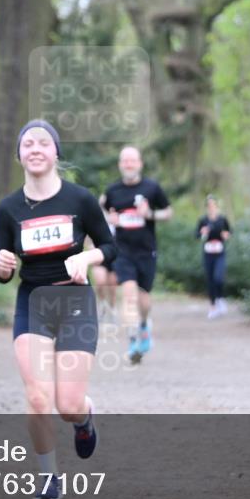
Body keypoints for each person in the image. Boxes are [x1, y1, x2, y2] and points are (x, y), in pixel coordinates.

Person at [0, 119, 116, 499]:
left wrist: (89, 257)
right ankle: (48, 478)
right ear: (19, 155)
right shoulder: (8, 208)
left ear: (55, 153)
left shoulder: (79, 200)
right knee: (37, 397)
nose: (34, 148)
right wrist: (1, 268)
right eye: (27, 143)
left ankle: (84, 417)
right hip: (32, 303)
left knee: (67, 405)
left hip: (75, 303)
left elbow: (110, 247)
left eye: (43, 143)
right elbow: (3, 266)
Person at [101, 146, 172, 364]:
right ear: (120, 165)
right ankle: (133, 341)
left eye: (132, 161)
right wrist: (108, 219)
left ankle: (143, 325)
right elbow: (98, 208)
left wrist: (149, 213)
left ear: (140, 163)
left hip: (146, 251)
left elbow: (168, 212)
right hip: (122, 251)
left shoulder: (152, 188)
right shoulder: (112, 191)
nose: (129, 164)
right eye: (125, 161)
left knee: (143, 298)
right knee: (129, 293)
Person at [196, 195, 232, 319]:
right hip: (208, 253)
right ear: (207, 207)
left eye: (213, 205)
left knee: (219, 278)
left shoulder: (222, 219)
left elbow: (229, 232)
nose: (211, 207)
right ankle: (213, 306)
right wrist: (202, 233)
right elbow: (197, 236)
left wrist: (226, 234)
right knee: (210, 279)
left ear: (217, 206)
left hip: (220, 253)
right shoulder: (203, 220)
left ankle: (220, 298)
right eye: (209, 205)